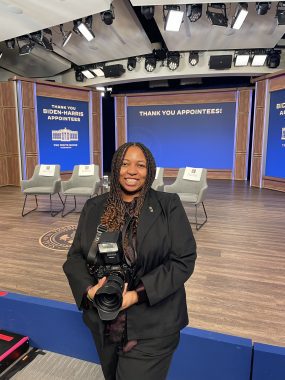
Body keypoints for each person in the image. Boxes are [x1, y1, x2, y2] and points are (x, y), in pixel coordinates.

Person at [63, 142, 197, 380]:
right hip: (104, 322)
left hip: (153, 326)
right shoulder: (94, 206)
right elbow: (74, 257)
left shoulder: (168, 205)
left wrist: (136, 295)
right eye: (125, 164)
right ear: (116, 168)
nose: (132, 171)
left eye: (140, 165)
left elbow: (183, 259)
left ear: (150, 170)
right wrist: (90, 291)